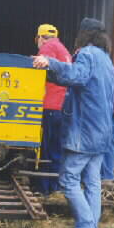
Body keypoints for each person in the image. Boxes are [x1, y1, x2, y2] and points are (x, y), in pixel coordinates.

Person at [32, 18, 114, 228]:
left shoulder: (87, 54)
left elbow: (76, 76)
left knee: (68, 179)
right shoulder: (105, 58)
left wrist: (50, 63)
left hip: (85, 130)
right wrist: (54, 70)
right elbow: (79, 81)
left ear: (84, 34)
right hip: (102, 131)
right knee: (92, 181)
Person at [33, 24, 72, 195]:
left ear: (40, 37)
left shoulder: (47, 48)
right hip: (63, 106)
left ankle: (44, 188)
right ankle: (55, 186)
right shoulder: (63, 49)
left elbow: (38, 74)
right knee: (57, 148)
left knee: (46, 149)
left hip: (50, 106)